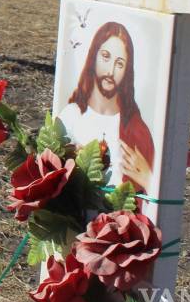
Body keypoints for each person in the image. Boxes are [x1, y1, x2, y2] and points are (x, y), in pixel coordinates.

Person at [56, 21, 155, 193]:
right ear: (93, 57)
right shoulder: (70, 117)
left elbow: (152, 200)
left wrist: (148, 180)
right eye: (105, 56)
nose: (110, 71)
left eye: (120, 64)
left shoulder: (136, 130)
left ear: (127, 71)